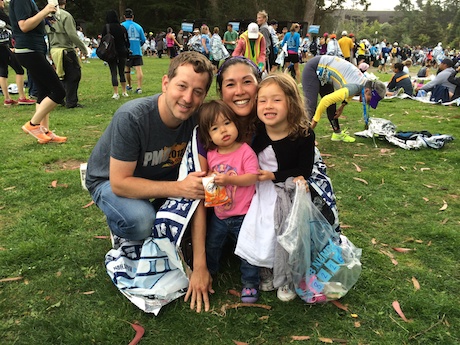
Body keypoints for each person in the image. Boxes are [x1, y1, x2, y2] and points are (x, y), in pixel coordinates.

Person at [85, 51, 214, 312]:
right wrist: (177, 189)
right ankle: (122, 226)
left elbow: (198, 189)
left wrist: (201, 266)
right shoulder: (132, 117)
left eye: (198, 92)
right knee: (142, 222)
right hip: (109, 180)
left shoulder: (196, 123)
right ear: (165, 83)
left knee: (209, 212)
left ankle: (157, 219)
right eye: (182, 86)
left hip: (160, 176)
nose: (188, 99)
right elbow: (120, 182)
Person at [235, 73, 315, 302]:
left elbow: (304, 170)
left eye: (276, 100)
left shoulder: (304, 134)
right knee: (260, 230)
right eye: (262, 100)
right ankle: (266, 269)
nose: (268, 106)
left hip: (287, 190)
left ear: (291, 101)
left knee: (285, 232)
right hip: (261, 190)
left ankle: (288, 276)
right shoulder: (256, 131)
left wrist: (275, 175)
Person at [198, 100, 260, 303]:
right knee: (212, 245)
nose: (223, 131)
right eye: (215, 128)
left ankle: (250, 283)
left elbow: (252, 177)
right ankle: (210, 273)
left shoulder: (244, 152)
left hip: (244, 215)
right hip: (220, 215)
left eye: (227, 123)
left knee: (247, 251)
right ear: (208, 136)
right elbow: (209, 178)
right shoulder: (211, 154)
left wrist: (229, 179)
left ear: (235, 124)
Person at [9, 0, 67, 144]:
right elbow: (24, 26)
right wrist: (45, 11)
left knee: (44, 91)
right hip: (29, 51)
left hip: (34, 50)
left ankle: (44, 132)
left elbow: (32, 21)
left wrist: (46, 18)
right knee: (59, 92)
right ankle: (33, 125)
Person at [302, 55, 387, 142]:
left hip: (325, 74)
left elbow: (351, 91)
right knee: (310, 106)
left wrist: (343, 105)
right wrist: (315, 121)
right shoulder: (356, 86)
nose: (367, 103)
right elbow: (325, 100)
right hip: (314, 68)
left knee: (332, 106)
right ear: (367, 91)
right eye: (369, 100)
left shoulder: (363, 83)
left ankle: (337, 134)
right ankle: (302, 136)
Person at [46, 0, 88, 108]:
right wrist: (84, 48)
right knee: (74, 75)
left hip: (54, 49)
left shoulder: (48, 16)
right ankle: (71, 101)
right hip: (65, 49)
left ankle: (60, 98)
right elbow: (72, 34)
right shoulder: (65, 15)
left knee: (62, 76)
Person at [0, 0, 36, 106]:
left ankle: (7, 98)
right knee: (19, 70)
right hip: (2, 45)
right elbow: (11, 21)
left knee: (3, 70)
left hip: (3, 45)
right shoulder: (1, 13)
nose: (3, 3)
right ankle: (22, 97)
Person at [102, 10, 130, 100]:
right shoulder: (122, 28)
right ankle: (124, 91)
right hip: (122, 52)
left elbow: (103, 41)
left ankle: (115, 93)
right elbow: (127, 42)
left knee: (113, 72)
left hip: (111, 52)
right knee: (122, 72)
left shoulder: (106, 28)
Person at [122, 8, 145, 94]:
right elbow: (143, 39)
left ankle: (129, 85)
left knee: (127, 68)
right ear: (133, 17)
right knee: (138, 68)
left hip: (127, 51)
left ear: (124, 17)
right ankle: (139, 87)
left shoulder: (122, 26)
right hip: (137, 50)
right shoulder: (138, 26)